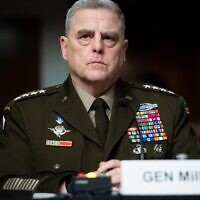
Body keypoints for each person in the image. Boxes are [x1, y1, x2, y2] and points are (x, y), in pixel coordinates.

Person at [0, 0, 199, 195]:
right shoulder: (26, 113)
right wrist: (70, 185)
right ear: (65, 48)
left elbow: (195, 179)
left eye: (109, 38)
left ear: (123, 50)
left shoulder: (168, 108)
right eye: (85, 36)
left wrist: (139, 178)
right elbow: (6, 184)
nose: (97, 46)